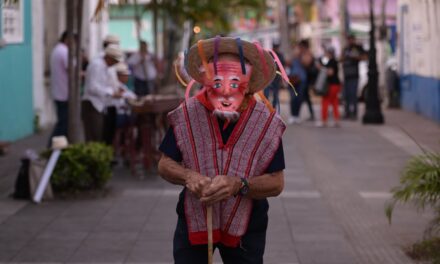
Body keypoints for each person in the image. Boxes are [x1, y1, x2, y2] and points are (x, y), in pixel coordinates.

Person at [158, 37, 285, 264]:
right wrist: (189, 176)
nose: (226, 92)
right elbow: (164, 164)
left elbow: (276, 183)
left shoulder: (266, 122)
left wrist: (240, 184)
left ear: (248, 83)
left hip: (247, 226)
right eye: (217, 82)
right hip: (194, 218)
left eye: (235, 82)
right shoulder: (188, 113)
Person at [81, 45, 124, 142]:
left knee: (99, 135)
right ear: (109, 58)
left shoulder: (105, 67)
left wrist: (115, 90)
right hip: (92, 104)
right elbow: (92, 87)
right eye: (114, 61)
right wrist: (111, 93)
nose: (115, 64)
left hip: (99, 105)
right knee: (94, 136)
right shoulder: (97, 66)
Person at [48, 31, 71, 146]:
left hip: (59, 91)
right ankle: (52, 147)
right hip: (64, 93)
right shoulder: (64, 51)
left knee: (63, 123)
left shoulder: (57, 49)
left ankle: (58, 148)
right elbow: (71, 70)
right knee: (63, 124)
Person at [341, 34, 366, 120]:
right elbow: (341, 59)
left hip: (354, 75)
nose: (350, 41)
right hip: (346, 75)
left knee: (353, 95)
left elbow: (364, 57)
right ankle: (347, 112)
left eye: (351, 39)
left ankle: (354, 113)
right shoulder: (345, 49)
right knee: (346, 95)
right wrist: (345, 57)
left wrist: (355, 57)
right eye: (349, 39)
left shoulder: (358, 48)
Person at [317, 46, 341, 127]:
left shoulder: (331, 61)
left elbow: (330, 72)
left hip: (331, 85)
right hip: (336, 84)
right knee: (334, 102)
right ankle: (337, 120)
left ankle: (324, 121)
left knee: (325, 101)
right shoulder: (334, 61)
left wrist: (322, 69)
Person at [287, 42, 307, 124]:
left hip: (301, 79)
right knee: (293, 98)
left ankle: (297, 115)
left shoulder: (304, 55)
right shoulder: (293, 56)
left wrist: (300, 56)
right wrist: (293, 55)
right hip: (292, 79)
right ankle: (293, 115)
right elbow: (287, 63)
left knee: (299, 98)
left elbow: (306, 64)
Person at [263, 42, 284, 111]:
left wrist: (281, 78)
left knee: (275, 94)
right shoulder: (269, 54)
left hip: (276, 77)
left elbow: (282, 67)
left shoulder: (280, 55)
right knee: (266, 93)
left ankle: (273, 108)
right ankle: (265, 107)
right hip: (269, 77)